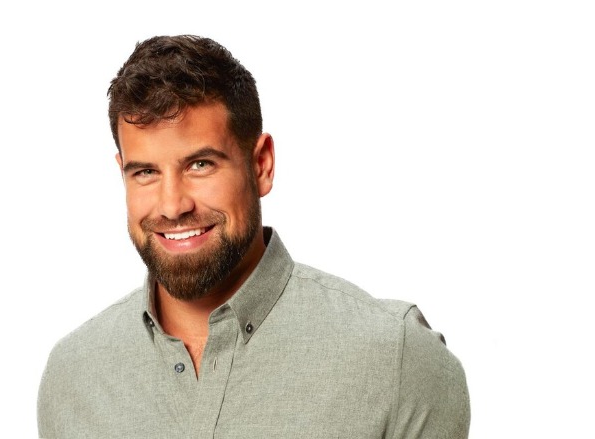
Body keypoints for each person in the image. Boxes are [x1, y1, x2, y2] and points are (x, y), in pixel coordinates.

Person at [37, 35, 470, 438]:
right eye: (146, 172)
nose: (172, 205)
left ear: (261, 165)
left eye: (200, 165)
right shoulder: (74, 376)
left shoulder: (397, 358)